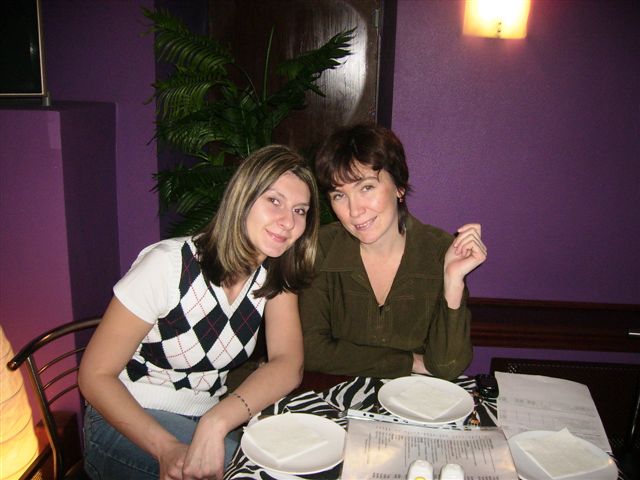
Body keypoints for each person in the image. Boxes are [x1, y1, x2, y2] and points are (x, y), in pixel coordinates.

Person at [79, 145, 320, 480]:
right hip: (126, 419)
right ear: (243, 198)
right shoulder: (168, 265)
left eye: (300, 210)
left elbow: (288, 363)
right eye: (274, 201)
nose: (288, 221)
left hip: (204, 415)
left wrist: (217, 420)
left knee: (299, 459)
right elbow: (94, 376)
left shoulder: (274, 275)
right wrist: (166, 448)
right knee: (253, 473)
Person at [299, 123, 487, 381]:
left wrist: (453, 281)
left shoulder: (440, 251)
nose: (354, 211)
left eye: (366, 188)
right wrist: (408, 361)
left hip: (414, 402)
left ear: (399, 187)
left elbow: (447, 366)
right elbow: (310, 351)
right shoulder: (319, 248)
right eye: (339, 195)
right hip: (338, 398)